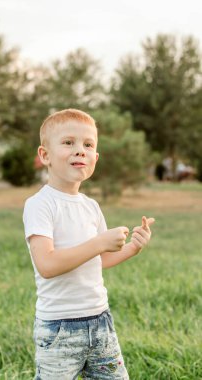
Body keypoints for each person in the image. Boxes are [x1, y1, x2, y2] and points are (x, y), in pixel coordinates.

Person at [23, 109, 155, 379]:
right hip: (59, 328)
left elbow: (101, 260)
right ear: (45, 155)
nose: (80, 150)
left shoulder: (91, 206)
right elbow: (46, 264)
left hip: (100, 321)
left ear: (95, 158)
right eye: (68, 142)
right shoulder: (40, 204)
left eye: (88, 144)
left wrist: (133, 248)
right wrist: (98, 243)